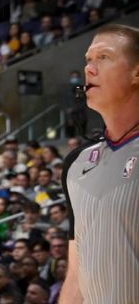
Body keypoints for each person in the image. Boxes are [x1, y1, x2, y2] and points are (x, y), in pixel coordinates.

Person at [60, 24, 139, 303]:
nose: (89, 69)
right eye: (87, 61)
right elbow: (76, 276)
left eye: (103, 58)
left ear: (136, 72)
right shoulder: (76, 164)